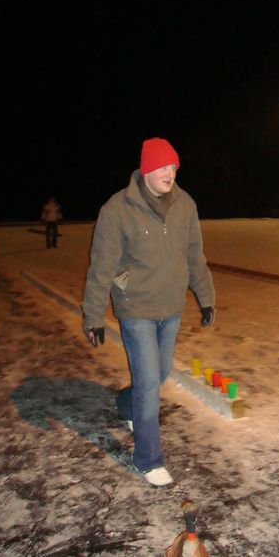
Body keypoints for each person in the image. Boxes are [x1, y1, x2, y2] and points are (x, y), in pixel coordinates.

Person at [82, 137, 216, 486]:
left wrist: (206, 296)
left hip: (170, 306)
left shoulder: (185, 204)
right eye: (161, 167)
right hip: (136, 307)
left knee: (159, 375)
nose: (169, 173)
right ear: (145, 170)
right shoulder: (117, 209)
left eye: (173, 166)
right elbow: (101, 266)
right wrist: (94, 316)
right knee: (147, 383)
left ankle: (127, 408)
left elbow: (195, 255)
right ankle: (148, 459)